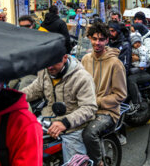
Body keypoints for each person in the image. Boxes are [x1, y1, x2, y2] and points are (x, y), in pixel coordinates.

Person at [22, 53, 97, 163]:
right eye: (47, 63)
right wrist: (12, 98)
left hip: (72, 129)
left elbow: (89, 108)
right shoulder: (45, 72)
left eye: (54, 63)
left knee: (73, 163)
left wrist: (65, 122)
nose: (50, 67)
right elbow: (33, 90)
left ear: (65, 57)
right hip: (48, 122)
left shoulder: (82, 77)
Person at [81, 22, 127, 166]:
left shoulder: (115, 64)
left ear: (107, 40)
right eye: (94, 39)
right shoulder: (85, 59)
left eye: (101, 39)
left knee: (89, 134)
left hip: (108, 112)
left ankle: (99, 162)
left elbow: (120, 95)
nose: (97, 43)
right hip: (86, 108)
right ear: (89, 38)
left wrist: (97, 101)